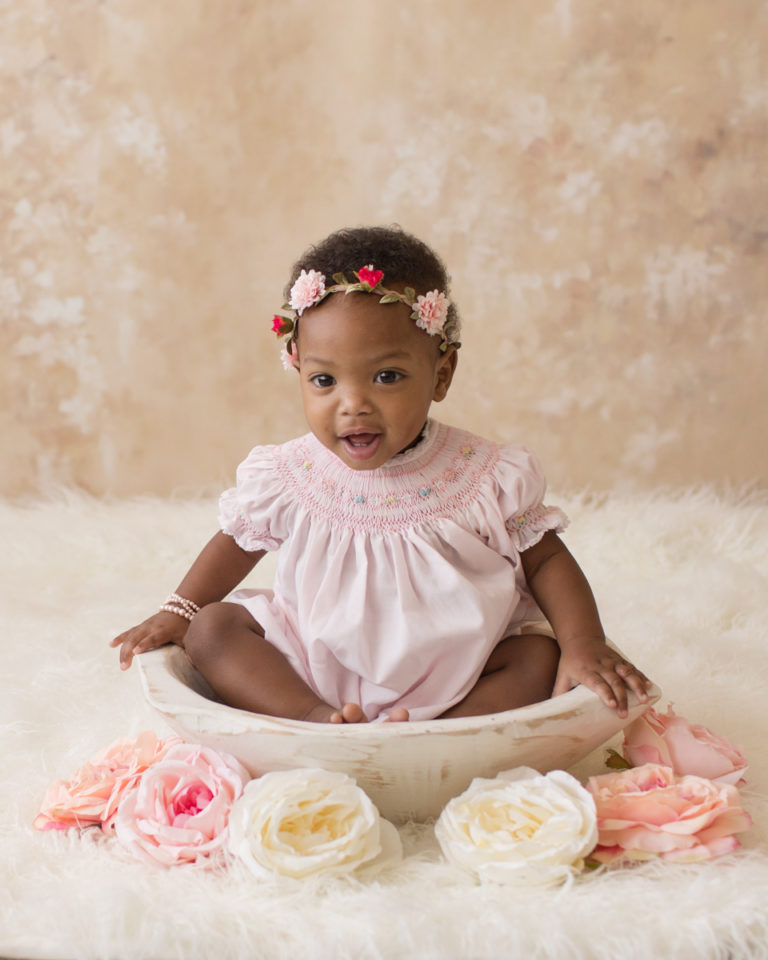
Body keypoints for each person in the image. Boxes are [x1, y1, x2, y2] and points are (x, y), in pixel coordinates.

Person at [111, 225, 652, 724]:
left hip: (456, 670)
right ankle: (317, 721)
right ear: (297, 371)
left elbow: (547, 557)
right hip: (312, 664)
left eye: (386, 376)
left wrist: (584, 642)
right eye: (324, 381)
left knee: (539, 654)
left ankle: (443, 734)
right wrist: (178, 610)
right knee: (214, 629)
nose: (353, 404)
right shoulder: (291, 474)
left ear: (441, 374)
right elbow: (236, 540)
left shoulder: (484, 475)